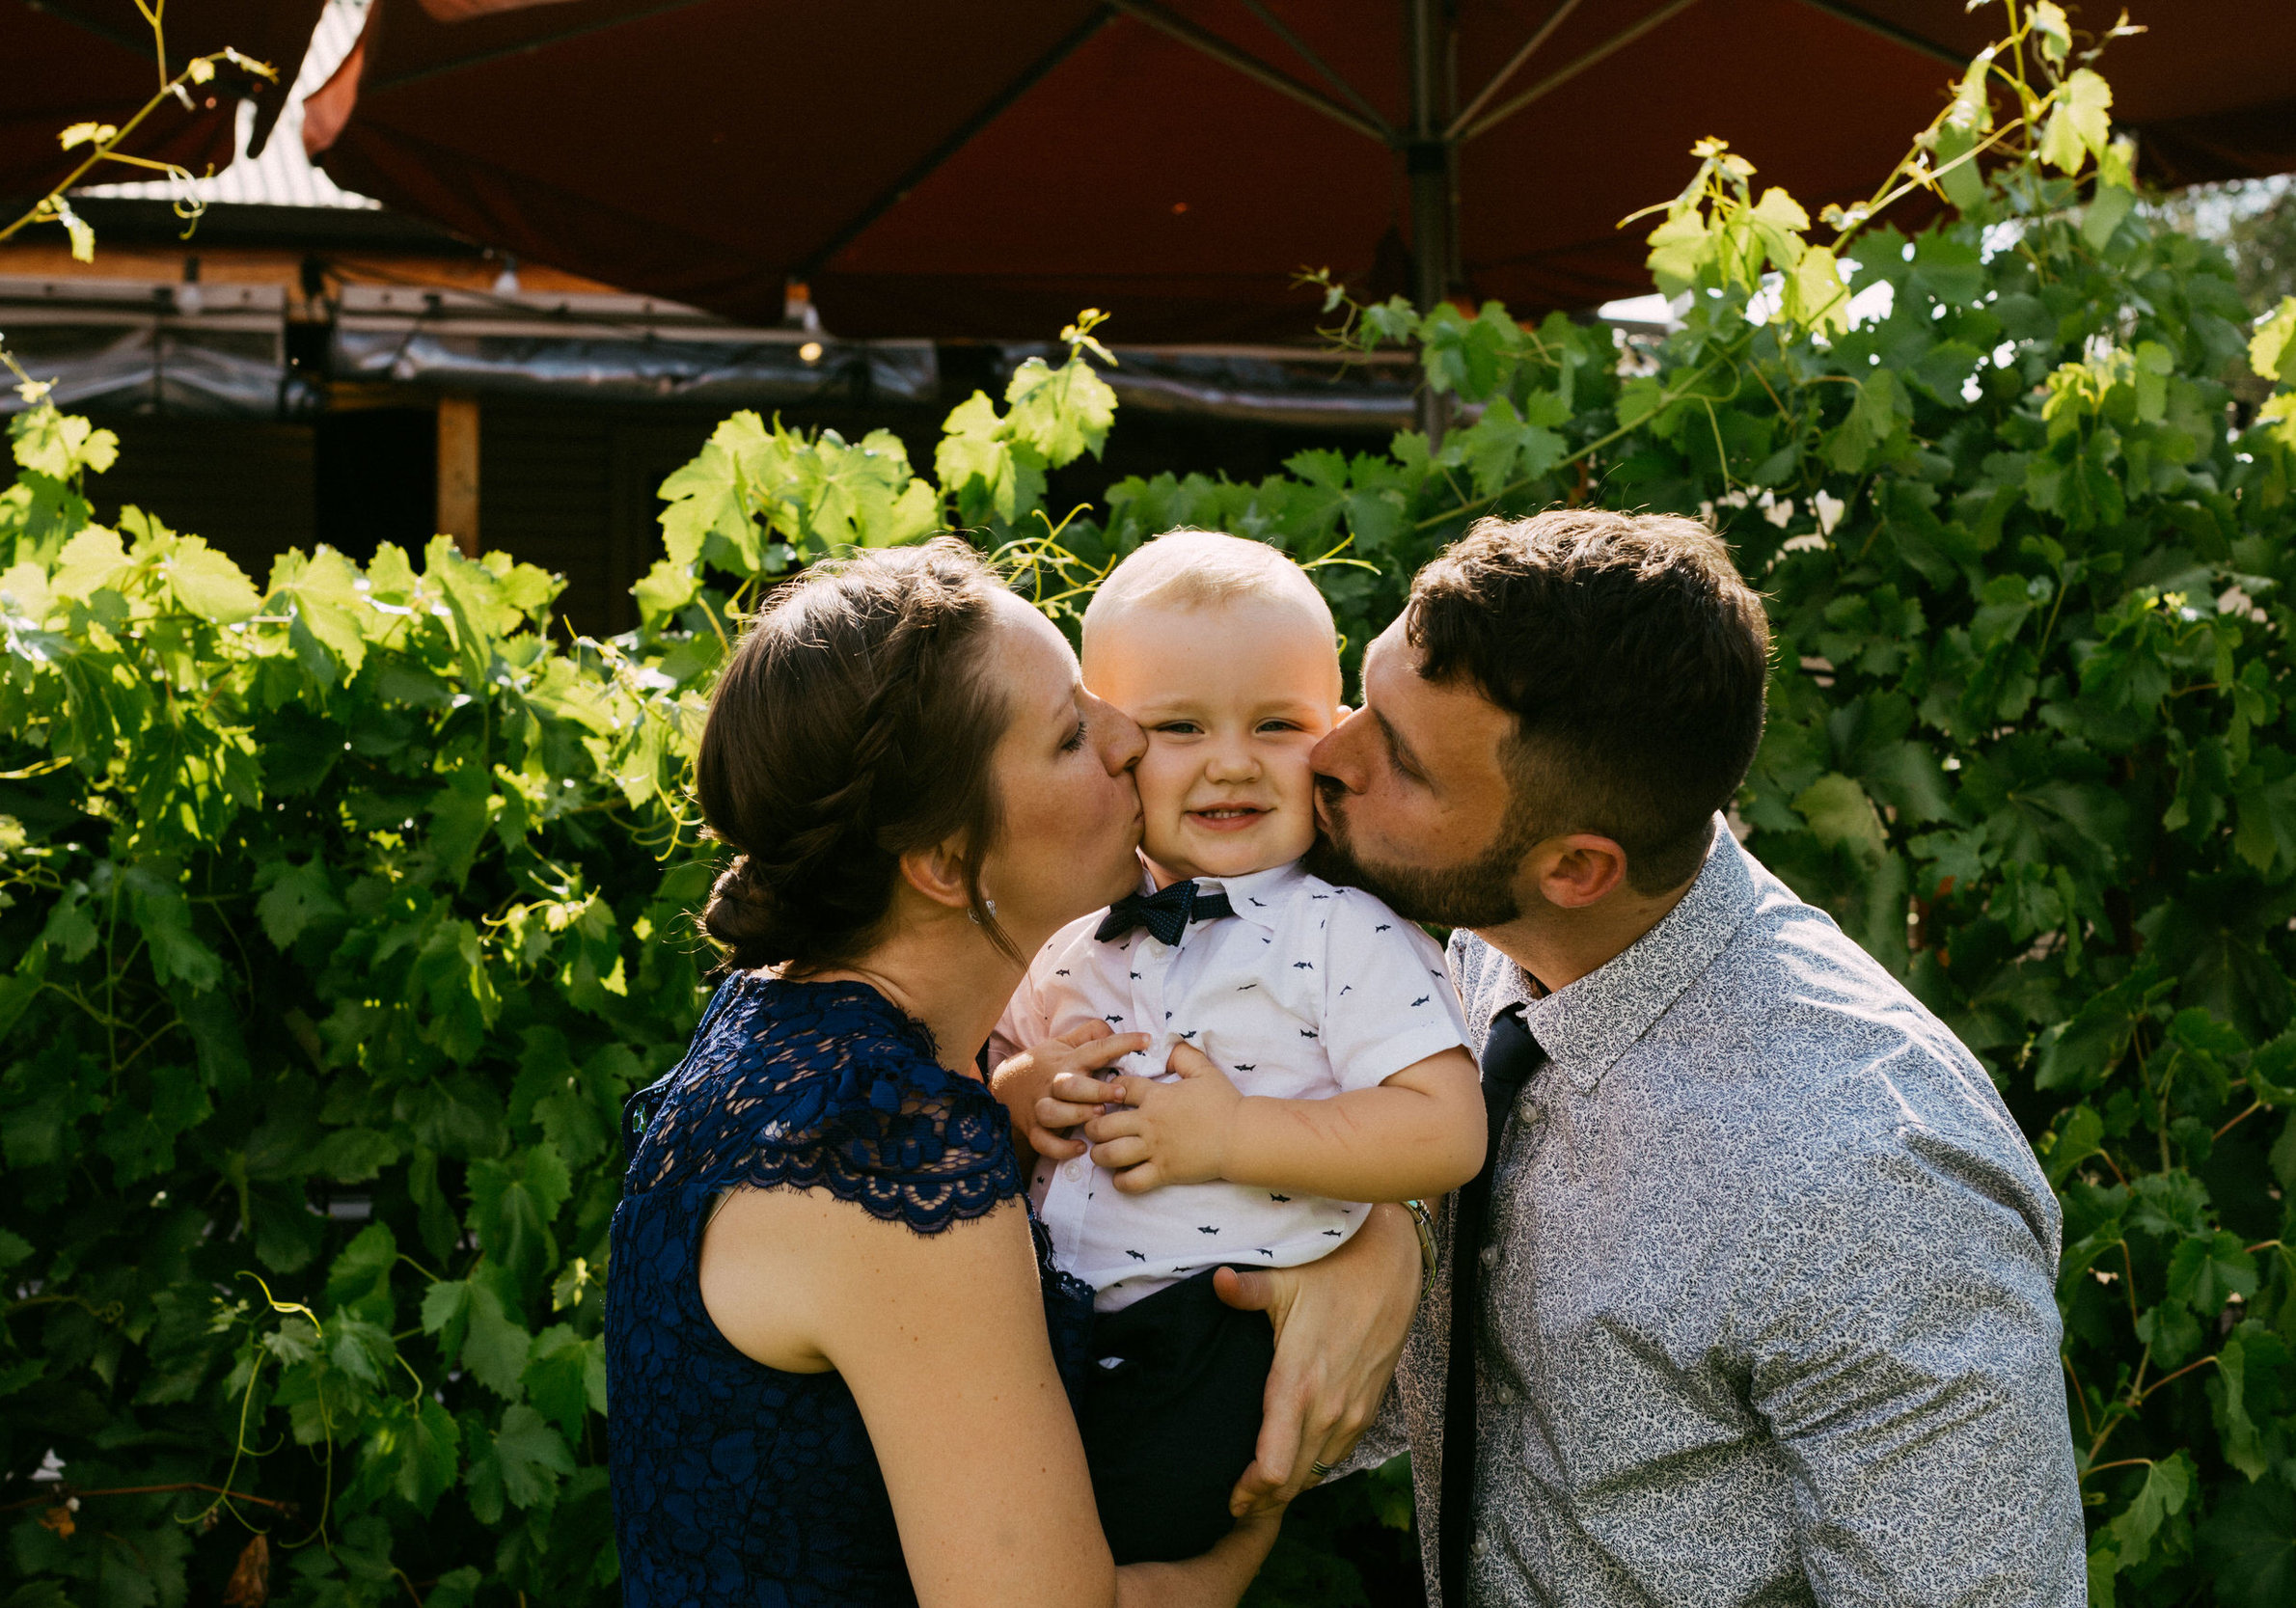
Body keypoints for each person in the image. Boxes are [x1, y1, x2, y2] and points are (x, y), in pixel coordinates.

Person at [1280, 508, 2084, 1605]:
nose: (1325, 754)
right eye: (1366, 698)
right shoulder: (1485, 944)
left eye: (1400, 762)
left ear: (1574, 866)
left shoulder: (1869, 1176)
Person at [602, 538, 1413, 1608]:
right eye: (1074, 731)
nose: (1130, 739)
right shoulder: (880, 1156)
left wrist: (1383, 1241)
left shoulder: (790, 1030)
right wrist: (1264, 1489)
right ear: (945, 860)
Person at [988, 532, 1482, 1565]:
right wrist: (1032, 1089)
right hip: (1043, 1327)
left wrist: (1234, 1135)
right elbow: (996, 1086)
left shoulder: (1342, 932)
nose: (1229, 760)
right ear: (1110, 740)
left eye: (1275, 725)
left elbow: (1443, 1129)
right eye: (1179, 727)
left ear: (1333, 733)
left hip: (1208, 1339)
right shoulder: (1073, 931)